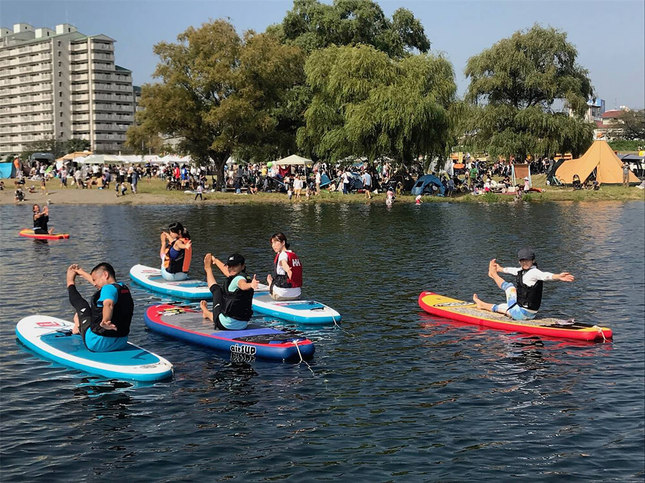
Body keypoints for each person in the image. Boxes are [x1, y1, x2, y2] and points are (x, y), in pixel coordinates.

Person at [473, 248, 575, 321]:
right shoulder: (522, 271)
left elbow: (545, 275)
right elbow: (513, 270)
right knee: (504, 307)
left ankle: (493, 274)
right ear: (519, 261)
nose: (524, 263)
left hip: (522, 313)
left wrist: (558, 276)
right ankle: (481, 304)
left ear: (533, 261)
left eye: (527, 260)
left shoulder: (534, 272)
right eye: (522, 260)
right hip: (528, 315)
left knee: (510, 288)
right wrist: (500, 269)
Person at [67, 262, 133, 352]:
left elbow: (108, 304)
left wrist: (106, 320)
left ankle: (77, 326)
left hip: (97, 343)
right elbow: (99, 284)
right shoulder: (123, 288)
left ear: (105, 275)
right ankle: (78, 326)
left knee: (82, 306)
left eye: (95, 280)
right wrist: (81, 272)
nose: (94, 283)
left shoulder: (107, 289)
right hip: (121, 342)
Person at [199, 253, 259, 330]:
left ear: (242, 266)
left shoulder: (239, 279)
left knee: (216, 290)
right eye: (229, 266)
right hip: (243, 324)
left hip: (226, 324)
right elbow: (227, 271)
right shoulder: (242, 276)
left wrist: (250, 285)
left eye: (235, 266)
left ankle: (206, 312)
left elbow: (242, 285)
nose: (231, 268)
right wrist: (215, 261)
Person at [266, 232, 302, 301]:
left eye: (276, 242)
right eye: (272, 243)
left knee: (272, 282)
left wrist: (288, 270)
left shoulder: (282, 254)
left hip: (281, 295)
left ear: (283, 243)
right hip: (297, 294)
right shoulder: (293, 255)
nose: (273, 246)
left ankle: (270, 283)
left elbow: (283, 262)